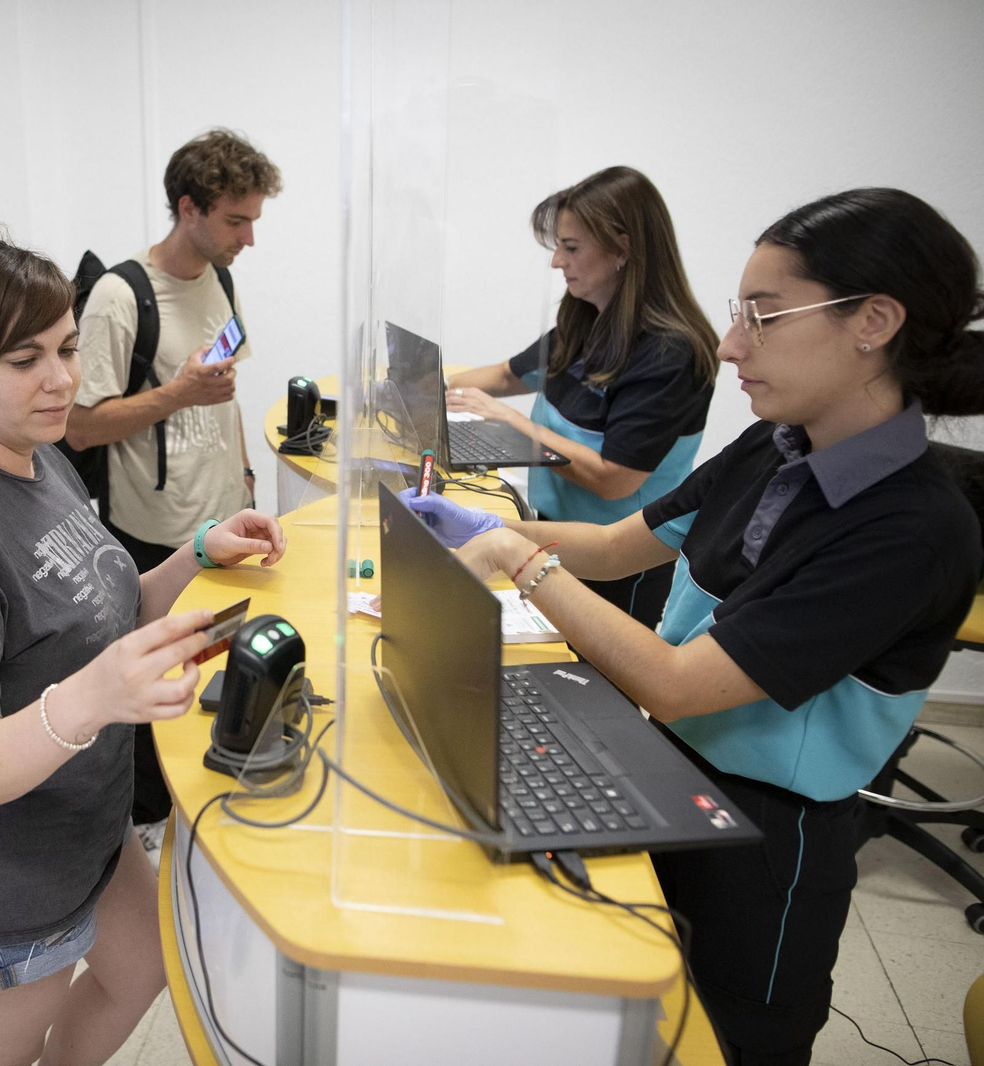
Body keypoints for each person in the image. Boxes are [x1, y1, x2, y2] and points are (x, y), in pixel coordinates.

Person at [404, 187, 983, 1065]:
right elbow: (615, 547)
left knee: (728, 1037)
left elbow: (679, 686)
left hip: (771, 836)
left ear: (874, 321)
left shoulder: (911, 528)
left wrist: (517, 558)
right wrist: (479, 524)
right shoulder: (776, 445)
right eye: (737, 314)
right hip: (675, 773)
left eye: (763, 315)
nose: (731, 345)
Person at [0, 200, 287, 1066]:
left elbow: (101, 604)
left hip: (79, 822)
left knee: (143, 969)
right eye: (25, 361)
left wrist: (195, 554)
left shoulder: (34, 451)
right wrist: (97, 696)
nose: (61, 380)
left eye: (66, 348)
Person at [64, 127, 282, 841]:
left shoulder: (221, 278)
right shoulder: (119, 296)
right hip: (154, 535)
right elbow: (80, 426)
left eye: (253, 218)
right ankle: (149, 825)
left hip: (222, 518)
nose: (250, 237)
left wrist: (244, 478)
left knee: (212, 682)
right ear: (189, 209)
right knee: (156, 694)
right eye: (236, 220)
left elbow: (225, 392)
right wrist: (177, 394)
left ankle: (200, 826)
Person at [445, 166, 717, 629]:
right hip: (556, 528)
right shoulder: (585, 319)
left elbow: (614, 480)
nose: (557, 262)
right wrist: (426, 388)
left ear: (623, 248)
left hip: (618, 559)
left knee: (594, 667)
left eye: (571, 248)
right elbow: (507, 375)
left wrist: (510, 422)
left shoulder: (670, 354)